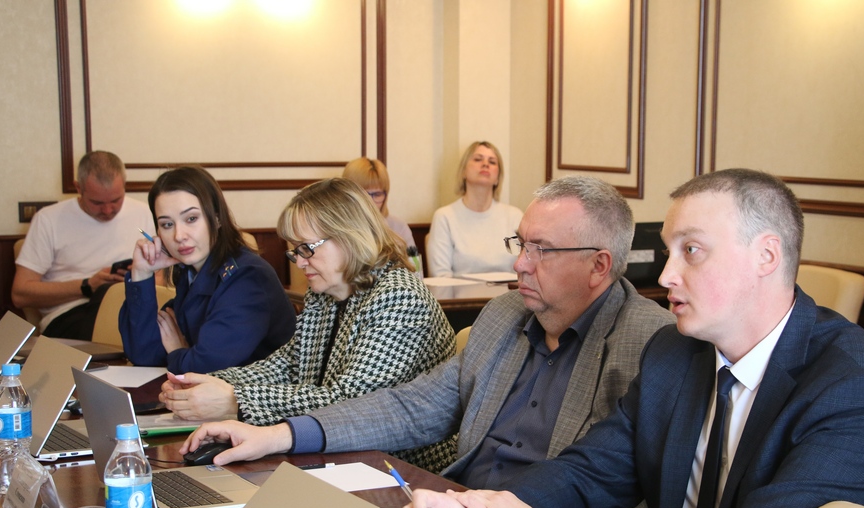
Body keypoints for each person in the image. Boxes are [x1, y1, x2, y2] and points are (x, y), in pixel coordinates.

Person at [399, 169, 864, 508]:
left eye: (692, 251)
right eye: (668, 252)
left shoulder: (854, 387)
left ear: (766, 256)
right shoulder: (676, 353)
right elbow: (591, 472)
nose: (668, 274)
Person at [180, 176, 675, 486]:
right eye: (520, 244)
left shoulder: (648, 343)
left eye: (540, 250)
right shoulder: (504, 316)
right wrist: (279, 436)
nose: (519, 263)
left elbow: (628, 493)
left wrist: (241, 402)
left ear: (598, 266)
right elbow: (412, 407)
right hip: (451, 507)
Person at [159, 177, 455, 426]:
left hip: (402, 462)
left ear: (349, 236)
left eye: (306, 249)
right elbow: (286, 366)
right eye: (295, 251)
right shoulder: (325, 293)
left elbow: (352, 403)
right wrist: (199, 384)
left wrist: (235, 400)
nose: (300, 262)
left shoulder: (399, 297)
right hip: (341, 447)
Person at [118, 165, 296, 374]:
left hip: (256, 394)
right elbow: (144, 354)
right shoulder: (190, 271)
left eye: (191, 219)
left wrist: (177, 351)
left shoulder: (248, 278)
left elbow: (206, 366)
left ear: (217, 218)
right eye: (167, 224)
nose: (179, 236)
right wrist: (141, 274)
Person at [12, 151, 154, 339]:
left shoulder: (144, 213)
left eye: (116, 200)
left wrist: (134, 280)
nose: (108, 210)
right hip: (71, 314)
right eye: (97, 202)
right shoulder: (48, 220)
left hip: (130, 306)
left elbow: (161, 276)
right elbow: (20, 294)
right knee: (114, 314)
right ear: (78, 188)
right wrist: (87, 286)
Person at [426, 141, 523, 277]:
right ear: (463, 171)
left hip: (509, 290)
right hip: (459, 291)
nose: (485, 164)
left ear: (498, 178)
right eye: (478, 159)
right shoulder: (444, 216)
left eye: (492, 162)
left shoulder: (515, 216)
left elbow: (525, 269)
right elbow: (440, 276)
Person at [342, 157, 416, 250]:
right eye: (363, 194)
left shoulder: (399, 227)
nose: (370, 202)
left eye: (377, 194)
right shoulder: (337, 226)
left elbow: (412, 259)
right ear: (347, 193)